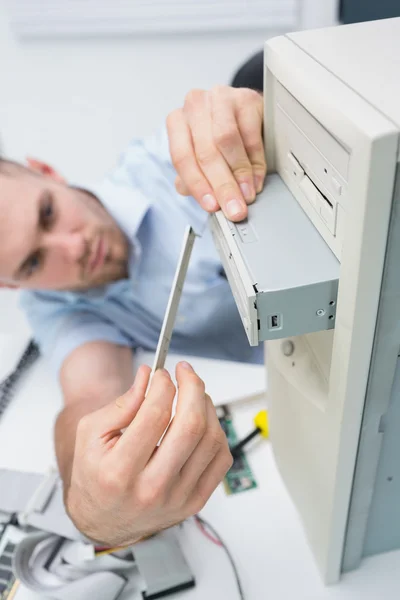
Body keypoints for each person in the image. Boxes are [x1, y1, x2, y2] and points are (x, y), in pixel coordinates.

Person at [0, 85, 266, 547]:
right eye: (34, 263)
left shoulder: (170, 161)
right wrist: (89, 503)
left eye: (48, 214)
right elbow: (87, 400)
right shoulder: (54, 306)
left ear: (47, 172)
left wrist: (263, 111)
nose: (73, 247)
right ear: (12, 285)